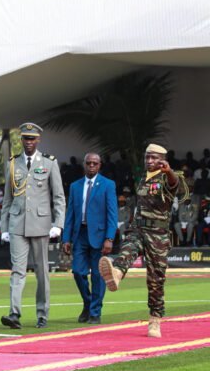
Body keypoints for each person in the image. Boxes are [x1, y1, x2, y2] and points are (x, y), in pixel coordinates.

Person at [99, 144, 188, 337]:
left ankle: (154, 320)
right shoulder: (142, 178)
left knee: (156, 280)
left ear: (162, 159)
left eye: (154, 158)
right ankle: (116, 273)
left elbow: (175, 186)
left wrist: (169, 171)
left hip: (158, 234)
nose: (149, 161)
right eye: (147, 157)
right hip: (139, 227)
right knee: (128, 249)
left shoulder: (168, 176)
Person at [0, 123, 65, 329]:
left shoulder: (49, 163)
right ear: (21, 140)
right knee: (17, 271)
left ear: (38, 140)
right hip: (17, 223)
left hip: (41, 223)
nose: (28, 142)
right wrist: (4, 227)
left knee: (41, 271)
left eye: (32, 139)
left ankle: (42, 313)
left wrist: (58, 224)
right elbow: (7, 200)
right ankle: (14, 313)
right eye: (25, 138)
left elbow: (59, 197)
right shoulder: (12, 163)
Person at [62, 153, 117, 324]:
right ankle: (88, 303)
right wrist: (66, 238)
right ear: (84, 165)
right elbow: (70, 214)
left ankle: (95, 312)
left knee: (98, 276)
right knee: (78, 272)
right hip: (80, 234)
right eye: (88, 163)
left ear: (100, 165)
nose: (91, 166)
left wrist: (109, 238)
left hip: (100, 236)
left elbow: (112, 213)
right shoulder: (75, 186)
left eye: (95, 163)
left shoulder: (108, 185)